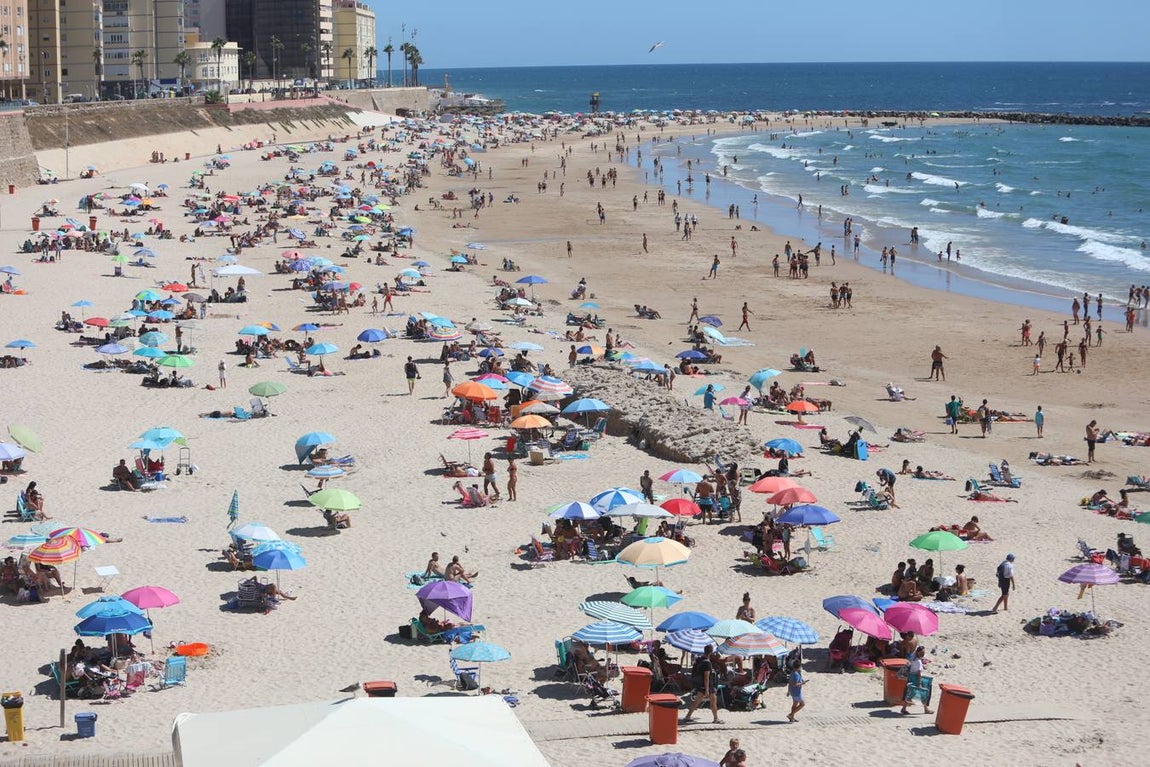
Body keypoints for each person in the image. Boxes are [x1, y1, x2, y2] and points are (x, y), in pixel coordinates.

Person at [683, 645, 723, 724]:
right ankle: (716, 718)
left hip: (700, 684)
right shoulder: (707, 663)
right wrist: (707, 690)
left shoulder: (699, 660)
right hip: (707, 686)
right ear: (711, 652)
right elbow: (706, 677)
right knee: (713, 701)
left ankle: (688, 716)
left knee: (697, 701)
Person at [900, 646, 933, 715]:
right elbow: (919, 673)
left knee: (910, 693)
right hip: (916, 679)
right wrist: (919, 682)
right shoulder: (918, 662)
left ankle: (904, 708)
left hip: (911, 678)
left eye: (923, 652)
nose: (923, 654)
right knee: (924, 694)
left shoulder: (914, 659)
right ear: (918, 653)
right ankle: (926, 709)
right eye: (922, 652)